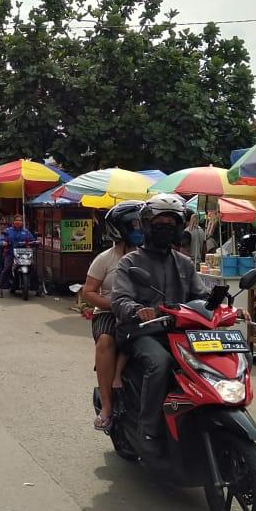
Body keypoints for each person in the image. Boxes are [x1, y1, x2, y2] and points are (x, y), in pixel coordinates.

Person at [111, 193, 209, 459]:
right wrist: (136, 310)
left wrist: (219, 308)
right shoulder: (130, 262)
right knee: (160, 363)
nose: (165, 227)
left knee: (212, 358)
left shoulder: (185, 264)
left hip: (179, 331)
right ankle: (148, 432)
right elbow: (119, 299)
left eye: (171, 222)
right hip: (142, 332)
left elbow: (200, 296)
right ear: (146, 225)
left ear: (179, 227)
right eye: (159, 222)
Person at [83, 200, 144, 431]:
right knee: (107, 342)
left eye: (141, 224)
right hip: (109, 314)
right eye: (134, 225)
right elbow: (88, 292)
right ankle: (107, 406)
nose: (139, 229)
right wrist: (114, 305)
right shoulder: (105, 259)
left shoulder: (151, 256)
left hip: (147, 313)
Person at [0, 214, 38, 297]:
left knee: (33, 268)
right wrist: (3, 242)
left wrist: (35, 242)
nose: (18, 222)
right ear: (13, 222)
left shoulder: (26, 232)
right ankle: (1, 290)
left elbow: (32, 240)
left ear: (22, 222)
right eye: (16, 220)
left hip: (24, 254)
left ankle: (37, 289)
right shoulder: (8, 231)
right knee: (7, 268)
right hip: (10, 253)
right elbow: (1, 240)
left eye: (20, 220)